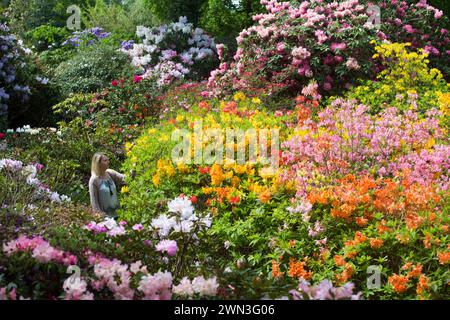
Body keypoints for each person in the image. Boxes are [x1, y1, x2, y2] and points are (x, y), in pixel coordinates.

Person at [89, 152, 125, 218]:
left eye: (108, 160)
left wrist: (134, 166)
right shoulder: (94, 180)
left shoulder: (110, 173)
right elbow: (94, 204)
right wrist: (101, 218)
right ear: (98, 163)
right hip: (105, 218)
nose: (108, 162)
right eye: (105, 160)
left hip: (118, 214)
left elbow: (126, 179)